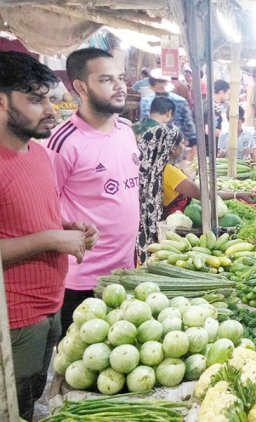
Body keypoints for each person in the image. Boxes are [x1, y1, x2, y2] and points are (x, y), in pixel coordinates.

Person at [0, 51, 98, 422]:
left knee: (31, 399)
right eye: (36, 100)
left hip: (49, 308)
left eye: (50, 99)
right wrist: (51, 240)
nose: (52, 110)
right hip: (12, 318)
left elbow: (31, 218)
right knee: (11, 406)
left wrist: (67, 229)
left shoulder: (38, 154)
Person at [44, 48, 140, 335]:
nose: (120, 86)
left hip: (125, 273)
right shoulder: (63, 142)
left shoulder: (126, 129)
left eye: (120, 78)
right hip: (82, 281)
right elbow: (46, 208)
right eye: (107, 80)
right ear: (80, 87)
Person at [137, 124, 256, 263]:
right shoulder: (170, 172)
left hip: (162, 227)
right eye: (182, 143)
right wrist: (237, 194)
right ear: (172, 148)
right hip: (176, 233)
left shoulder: (153, 168)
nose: (184, 147)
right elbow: (204, 194)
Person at [139, 68, 197, 148]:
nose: (161, 86)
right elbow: (143, 123)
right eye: (158, 83)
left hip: (175, 144)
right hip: (153, 144)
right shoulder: (146, 102)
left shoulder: (180, 101)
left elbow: (188, 124)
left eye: (163, 82)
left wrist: (193, 142)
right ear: (152, 86)